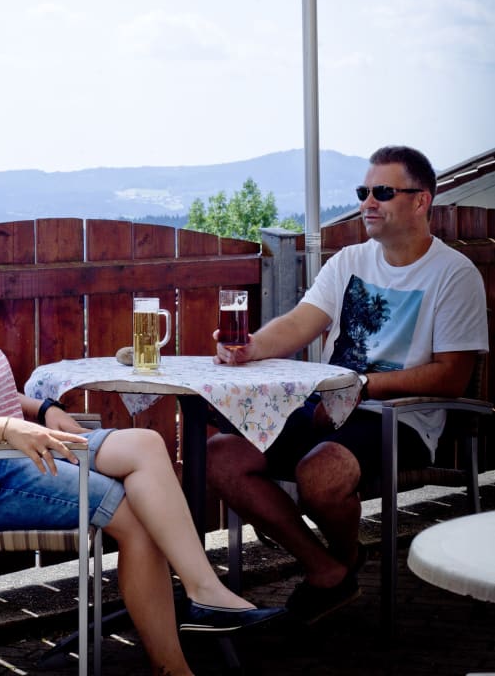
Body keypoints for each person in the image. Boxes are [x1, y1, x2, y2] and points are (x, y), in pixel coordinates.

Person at [0, 182, 283, 676]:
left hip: (4, 458)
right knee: (136, 516)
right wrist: (8, 428)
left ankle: (204, 592)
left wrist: (40, 409)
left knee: (146, 444)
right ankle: (176, 664)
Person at [207, 145, 488, 625]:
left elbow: (451, 375)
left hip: (402, 415)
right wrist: (250, 348)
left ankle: (338, 564)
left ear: (421, 201)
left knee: (321, 472)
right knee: (220, 456)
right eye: (363, 192)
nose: (367, 203)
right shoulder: (348, 261)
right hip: (328, 406)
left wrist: (362, 387)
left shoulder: (454, 274)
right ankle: (329, 569)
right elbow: (301, 322)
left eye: (383, 192)